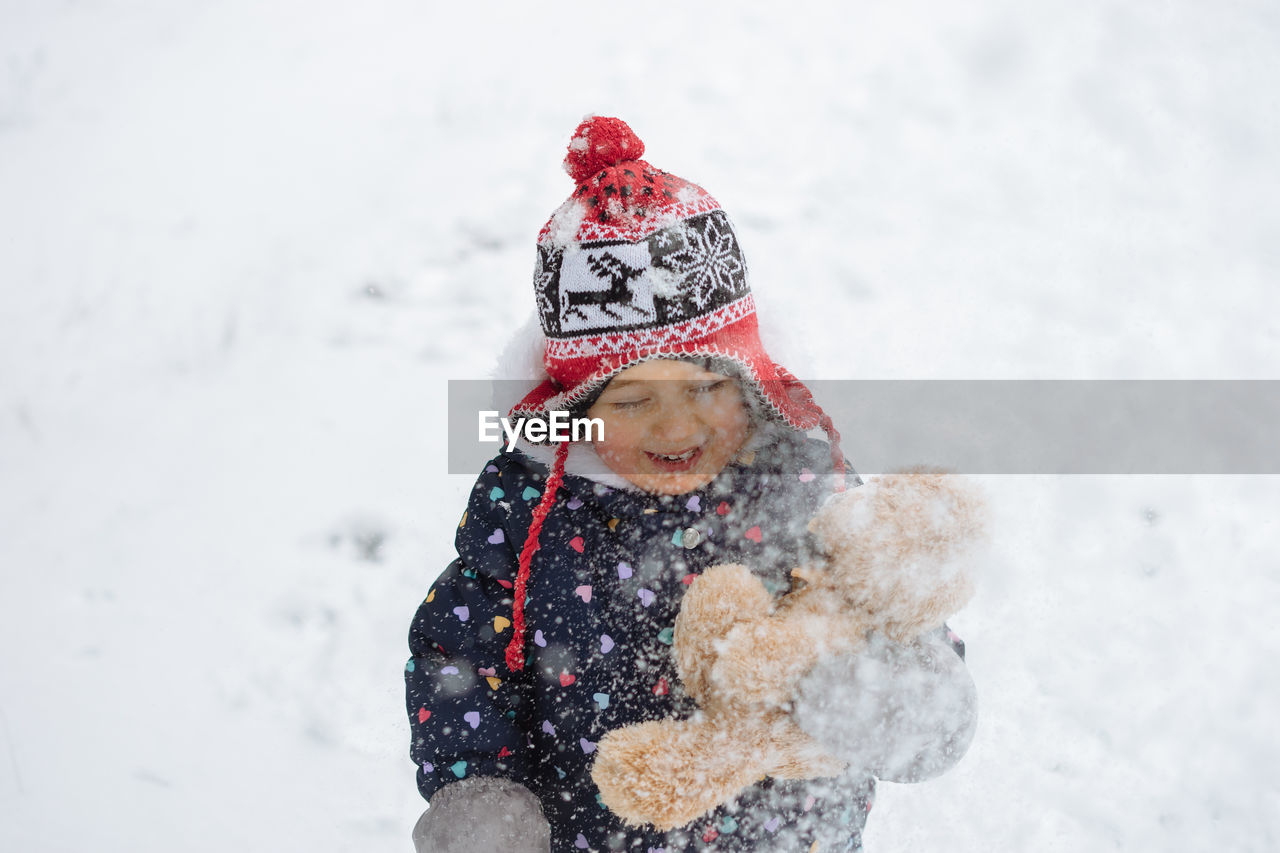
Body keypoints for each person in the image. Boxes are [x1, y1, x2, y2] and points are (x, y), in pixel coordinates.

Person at [405, 116, 977, 852]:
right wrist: (479, 791)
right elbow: (460, 656)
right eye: (634, 401)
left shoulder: (806, 485)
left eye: (708, 385)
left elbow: (902, 610)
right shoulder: (525, 509)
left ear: (752, 379)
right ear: (574, 410)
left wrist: (891, 705)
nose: (677, 429)